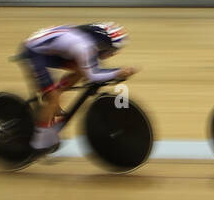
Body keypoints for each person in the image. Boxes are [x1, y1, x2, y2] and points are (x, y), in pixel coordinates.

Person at [19, 22, 137, 152]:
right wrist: (118, 72)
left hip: (53, 51)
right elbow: (93, 75)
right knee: (52, 99)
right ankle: (38, 144)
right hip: (35, 52)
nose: (113, 54)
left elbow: (92, 70)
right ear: (103, 45)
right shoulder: (83, 46)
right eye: (113, 50)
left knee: (81, 70)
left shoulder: (90, 45)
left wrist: (116, 73)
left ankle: (56, 93)